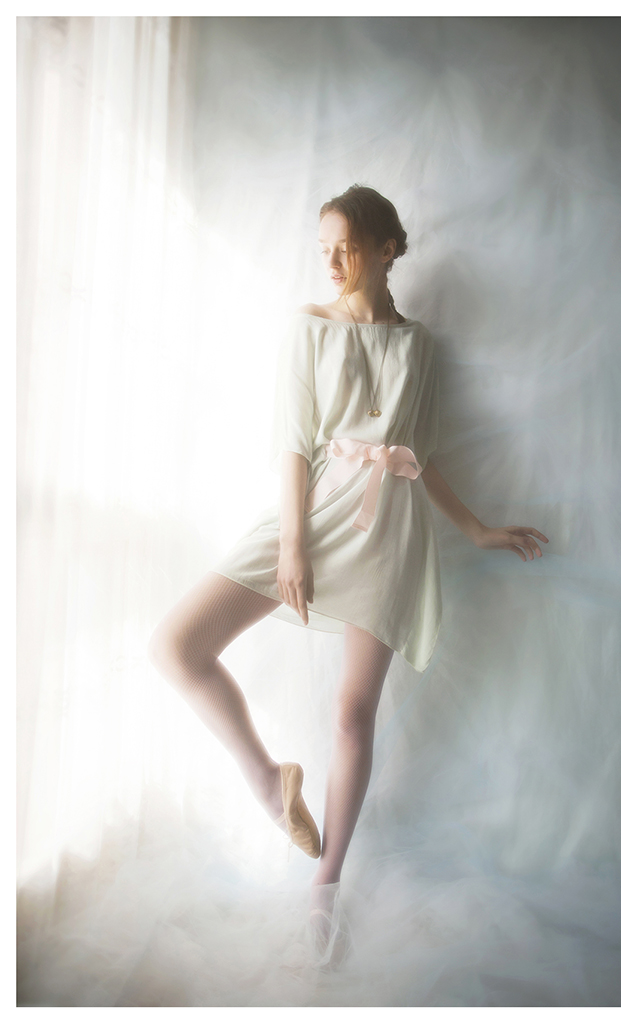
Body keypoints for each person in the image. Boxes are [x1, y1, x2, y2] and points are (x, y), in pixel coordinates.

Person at [147, 184, 548, 965]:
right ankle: (269, 784)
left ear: (386, 249)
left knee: (351, 715)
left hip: (388, 531)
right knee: (177, 646)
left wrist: (477, 529)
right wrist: (291, 543)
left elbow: (419, 457)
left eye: (347, 247)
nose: (330, 262)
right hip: (311, 515)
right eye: (323, 248)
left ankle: (323, 891)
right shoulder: (307, 327)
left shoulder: (419, 345)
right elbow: (293, 443)